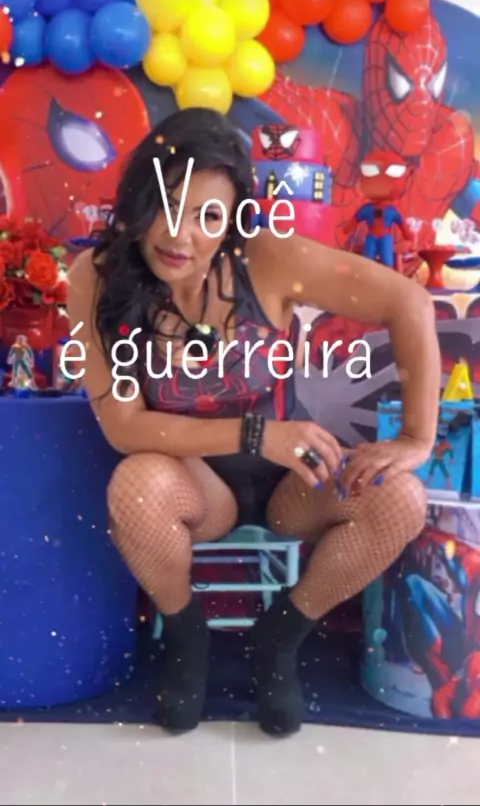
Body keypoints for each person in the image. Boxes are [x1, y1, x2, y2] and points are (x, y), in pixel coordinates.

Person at [67, 108, 441, 738]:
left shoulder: (267, 259)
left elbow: (409, 302)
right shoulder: (95, 280)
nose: (182, 235)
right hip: (194, 485)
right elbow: (123, 426)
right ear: (139, 198)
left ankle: (282, 636)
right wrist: (255, 434)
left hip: (291, 482)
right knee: (136, 486)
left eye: (208, 217)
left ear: (234, 220)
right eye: (168, 206)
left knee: (400, 498)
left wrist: (416, 437)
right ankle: (187, 634)